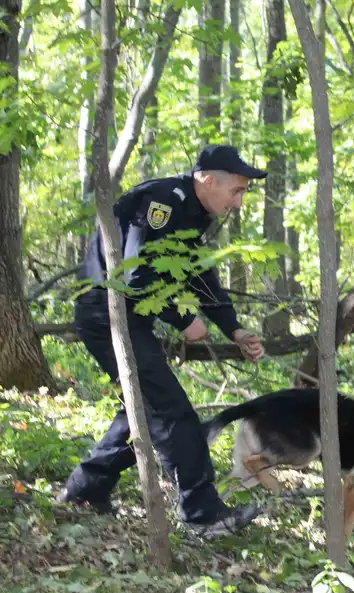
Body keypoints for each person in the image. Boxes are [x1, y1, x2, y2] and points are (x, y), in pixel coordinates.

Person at [57, 144, 267, 539]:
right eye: (236, 191)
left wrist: (233, 328)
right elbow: (135, 275)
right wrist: (184, 318)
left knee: (140, 409)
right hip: (108, 316)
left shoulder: (195, 213)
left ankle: (85, 490)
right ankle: (202, 513)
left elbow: (199, 275)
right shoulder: (162, 203)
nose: (238, 202)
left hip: (129, 318)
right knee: (172, 412)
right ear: (207, 180)